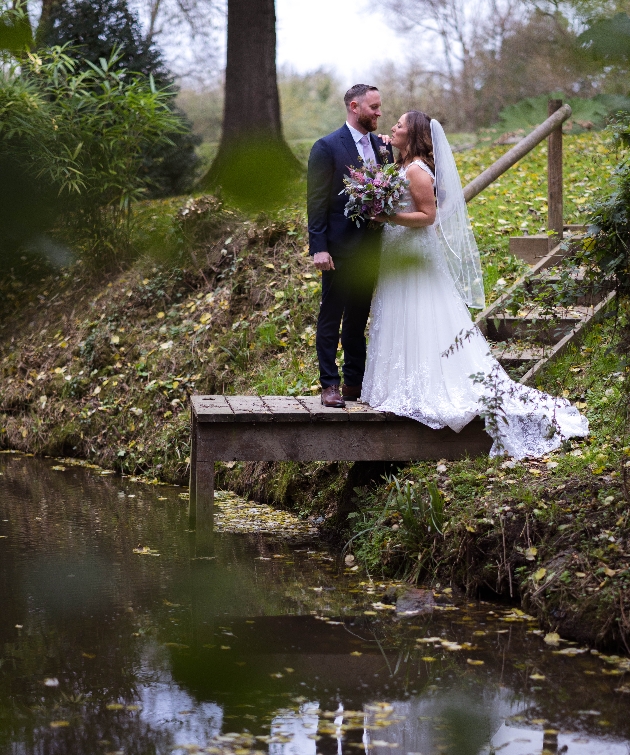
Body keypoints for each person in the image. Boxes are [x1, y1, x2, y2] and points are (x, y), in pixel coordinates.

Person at [361, 111, 588, 458]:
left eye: (400, 125)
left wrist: (385, 215)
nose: (393, 127)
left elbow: (428, 216)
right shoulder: (402, 167)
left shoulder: (417, 171)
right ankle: (395, 384)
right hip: (398, 251)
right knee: (398, 312)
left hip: (414, 251)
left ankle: (431, 386)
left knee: (421, 312)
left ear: (416, 134)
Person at [307, 84, 394, 408]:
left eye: (380, 106)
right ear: (354, 107)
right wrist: (319, 247)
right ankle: (329, 384)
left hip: (372, 249)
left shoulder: (382, 148)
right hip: (339, 250)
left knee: (358, 320)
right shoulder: (326, 147)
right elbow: (316, 202)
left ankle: (353, 384)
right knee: (331, 318)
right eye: (373, 107)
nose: (379, 112)